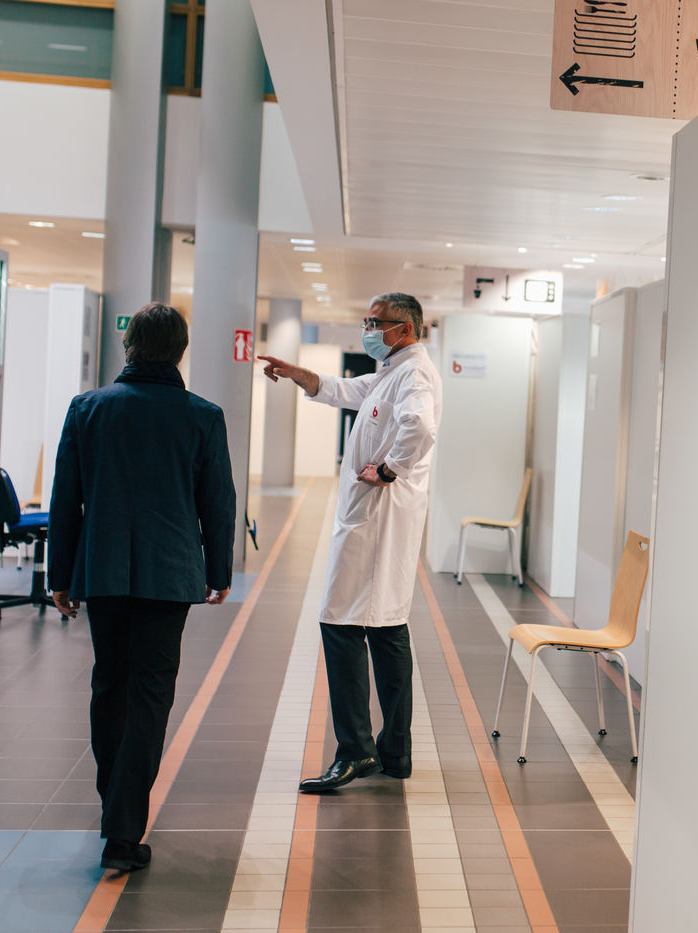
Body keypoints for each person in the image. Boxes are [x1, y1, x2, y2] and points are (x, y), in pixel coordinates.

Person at [47, 302, 235, 871]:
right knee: (151, 693)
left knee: (110, 683)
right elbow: (217, 503)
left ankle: (115, 803)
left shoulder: (88, 408)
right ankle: (124, 830)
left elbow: (65, 499)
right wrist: (219, 571)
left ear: (129, 346)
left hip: (102, 571)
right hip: (168, 575)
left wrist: (60, 576)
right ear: (181, 350)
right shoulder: (202, 416)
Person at [258, 292, 441, 792]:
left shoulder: (414, 374)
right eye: (367, 321)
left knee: (339, 622)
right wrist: (299, 374)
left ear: (405, 329)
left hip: (377, 518)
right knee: (386, 627)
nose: (369, 329)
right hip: (378, 519)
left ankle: (356, 751)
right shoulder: (392, 371)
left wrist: (389, 469)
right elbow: (347, 389)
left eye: (376, 323)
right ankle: (395, 751)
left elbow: (420, 426)